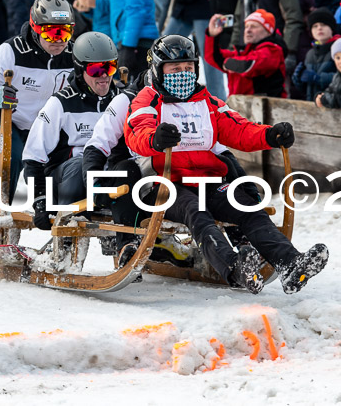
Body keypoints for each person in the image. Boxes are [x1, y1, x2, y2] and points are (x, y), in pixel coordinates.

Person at [124, 34, 329, 294]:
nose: (183, 73)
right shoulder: (148, 100)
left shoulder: (206, 101)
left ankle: (290, 264)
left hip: (207, 179)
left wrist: (269, 135)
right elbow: (136, 132)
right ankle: (234, 268)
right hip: (165, 183)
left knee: (247, 207)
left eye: (188, 68)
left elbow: (239, 129)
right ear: (158, 70)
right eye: (175, 69)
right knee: (196, 212)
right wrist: (155, 139)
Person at [0, 0, 75, 260]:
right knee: (9, 156)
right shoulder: (11, 50)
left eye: (66, 31)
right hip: (0, 117)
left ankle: (63, 235)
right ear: (35, 28)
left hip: (40, 127)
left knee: (66, 167)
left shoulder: (73, 55)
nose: (60, 39)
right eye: (51, 33)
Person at [23, 32, 120, 230]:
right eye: (95, 69)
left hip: (105, 180)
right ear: (79, 69)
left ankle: (128, 242)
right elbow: (33, 157)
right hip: (64, 181)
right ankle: (66, 241)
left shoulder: (121, 101)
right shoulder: (60, 103)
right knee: (81, 164)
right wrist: (40, 200)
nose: (103, 76)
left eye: (109, 68)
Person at [155, 0, 226, 101]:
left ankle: (219, 105)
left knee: (210, 59)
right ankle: (159, 95)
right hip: (183, 7)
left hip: (205, 7)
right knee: (162, 47)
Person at [206, 9, 287, 97]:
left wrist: (228, 63)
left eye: (254, 26)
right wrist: (212, 36)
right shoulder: (243, 53)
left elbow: (249, 64)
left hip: (265, 108)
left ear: (268, 31)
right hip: (241, 106)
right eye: (246, 26)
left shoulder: (273, 50)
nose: (248, 30)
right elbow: (213, 57)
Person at [292, 8, 339, 101]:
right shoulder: (310, 53)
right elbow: (306, 89)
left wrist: (318, 78)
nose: (319, 28)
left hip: (333, 103)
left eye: (323, 24)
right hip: (312, 105)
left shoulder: (339, 49)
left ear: (332, 28)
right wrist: (297, 79)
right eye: (315, 26)